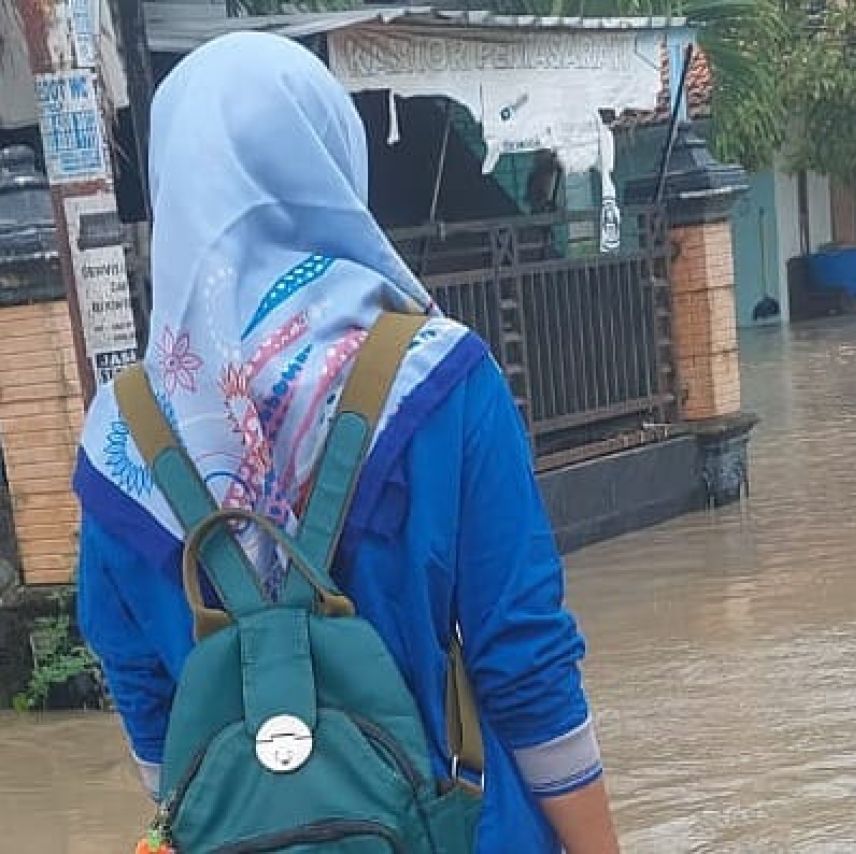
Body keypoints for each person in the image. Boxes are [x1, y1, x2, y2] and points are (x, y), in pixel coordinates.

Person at [73, 33, 619, 853]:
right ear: (330, 165)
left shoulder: (121, 440)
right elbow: (524, 660)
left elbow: (151, 713)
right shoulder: (441, 379)